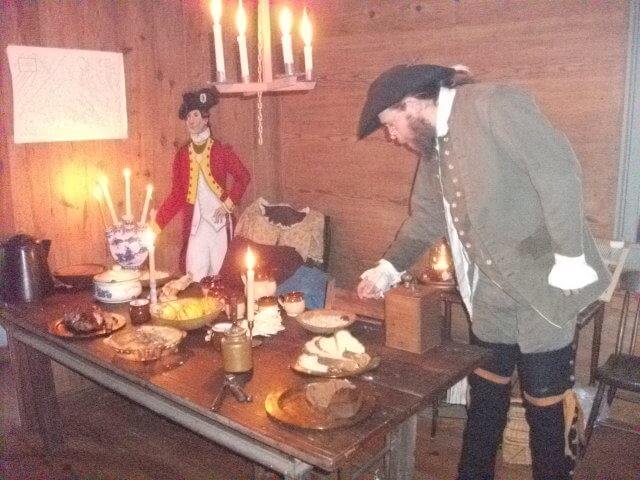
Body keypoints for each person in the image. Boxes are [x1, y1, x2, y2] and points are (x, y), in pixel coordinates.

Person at [356, 64, 610, 480]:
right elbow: (425, 218)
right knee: (485, 405)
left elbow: (559, 171)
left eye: (391, 123)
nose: (392, 135)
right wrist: (388, 267)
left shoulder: (494, 105)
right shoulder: (433, 147)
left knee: (545, 416)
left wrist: (569, 256)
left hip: (542, 291)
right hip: (488, 297)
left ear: (414, 104)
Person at [152, 88, 250, 282]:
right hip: (196, 226)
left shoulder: (221, 151)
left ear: (205, 119)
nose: (191, 120)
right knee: (194, 277)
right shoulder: (182, 155)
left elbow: (243, 177)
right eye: (188, 116)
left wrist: (228, 204)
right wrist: (155, 226)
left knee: (223, 277)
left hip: (220, 226)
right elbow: (178, 195)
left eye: (195, 114)